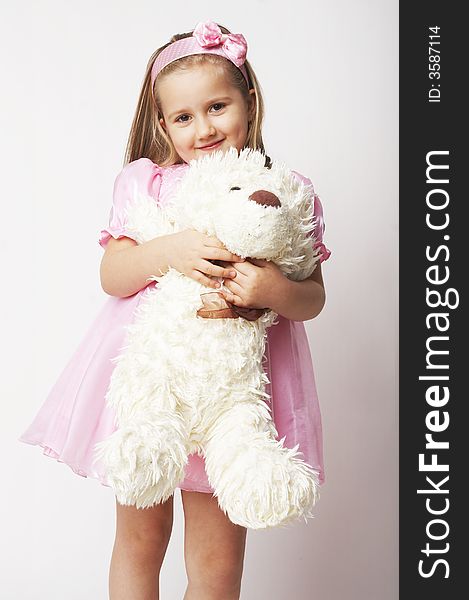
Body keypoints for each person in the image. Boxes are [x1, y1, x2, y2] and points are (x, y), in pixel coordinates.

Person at [18, 20, 331, 600]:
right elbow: (113, 275)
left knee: (216, 563)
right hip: (151, 388)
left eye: (218, 107)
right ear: (163, 124)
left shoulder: (285, 191)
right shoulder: (147, 184)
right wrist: (172, 250)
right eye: (184, 117)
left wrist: (270, 289)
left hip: (238, 395)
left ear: (249, 101)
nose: (205, 128)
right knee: (139, 540)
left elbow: (312, 296)